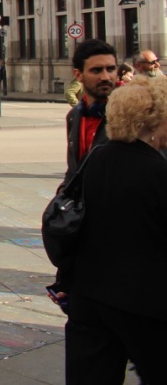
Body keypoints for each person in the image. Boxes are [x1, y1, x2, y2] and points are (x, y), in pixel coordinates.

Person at [55, 75, 167, 382]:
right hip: (143, 301)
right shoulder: (158, 172)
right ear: (152, 121)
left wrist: (66, 277)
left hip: (88, 295)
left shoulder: (97, 157)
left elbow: (74, 221)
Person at [63, 40, 117, 184]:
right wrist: (63, 191)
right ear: (78, 75)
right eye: (96, 70)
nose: (105, 77)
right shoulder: (74, 116)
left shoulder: (129, 116)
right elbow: (73, 170)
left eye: (110, 69)